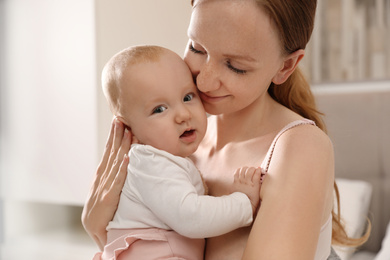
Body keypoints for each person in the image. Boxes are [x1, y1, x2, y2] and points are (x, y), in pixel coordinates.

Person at [82, 0, 370, 259]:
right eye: (196, 48)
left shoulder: (299, 148)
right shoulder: (174, 141)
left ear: (286, 66)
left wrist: (99, 227)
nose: (203, 82)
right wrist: (96, 225)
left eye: (235, 66)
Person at [95, 45, 262, 260]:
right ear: (129, 130)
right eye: (159, 109)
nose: (183, 115)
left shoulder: (168, 158)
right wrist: (243, 203)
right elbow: (190, 215)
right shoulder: (149, 163)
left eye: (187, 97)